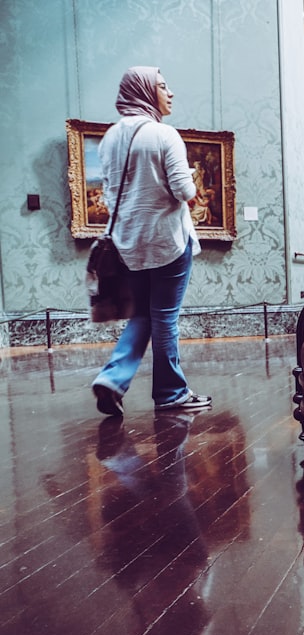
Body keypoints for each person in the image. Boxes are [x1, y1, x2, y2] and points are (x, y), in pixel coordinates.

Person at [90, 66, 211, 416]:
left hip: (129, 244)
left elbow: (110, 195)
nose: (169, 92)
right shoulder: (164, 134)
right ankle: (171, 393)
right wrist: (189, 180)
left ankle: (112, 378)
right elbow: (184, 190)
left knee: (143, 312)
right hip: (168, 242)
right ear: (144, 91)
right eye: (162, 86)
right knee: (165, 317)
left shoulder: (110, 137)